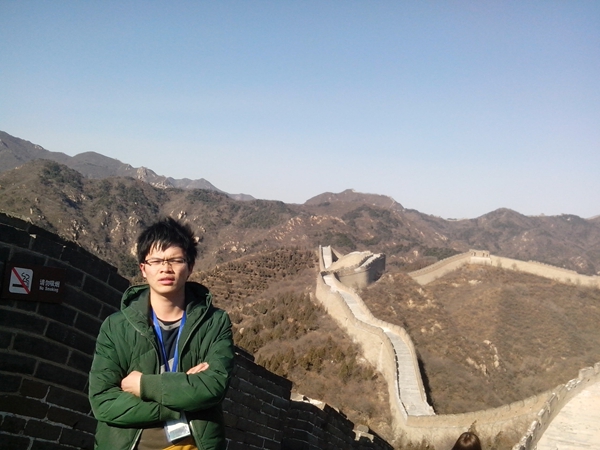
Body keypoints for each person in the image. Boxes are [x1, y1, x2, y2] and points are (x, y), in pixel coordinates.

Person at [89, 217, 234, 450]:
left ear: (190, 267)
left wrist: (143, 385)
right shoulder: (116, 326)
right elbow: (103, 402)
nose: (166, 268)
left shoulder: (214, 322)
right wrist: (182, 395)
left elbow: (212, 387)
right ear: (143, 269)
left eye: (175, 260)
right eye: (156, 261)